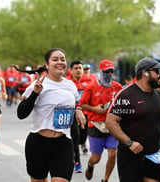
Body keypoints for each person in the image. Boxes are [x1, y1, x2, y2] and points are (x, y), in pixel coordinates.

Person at [105, 57, 160, 182]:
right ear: (145, 73)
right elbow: (111, 122)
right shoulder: (126, 95)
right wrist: (129, 142)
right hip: (130, 157)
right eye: (157, 72)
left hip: (155, 154)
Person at [17, 48, 86, 182]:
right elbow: (21, 113)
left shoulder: (70, 85)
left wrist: (78, 109)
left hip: (63, 143)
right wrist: (35, 93)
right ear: (47, 64)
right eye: (55, 60)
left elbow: (75, 102)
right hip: (39, 144)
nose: (60, 62)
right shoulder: (37, 85)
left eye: (63, 59)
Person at [79, 59, 122, 182]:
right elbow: (82, 105)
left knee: (112, 153)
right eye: (106, 71)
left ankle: (106, 179)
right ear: (101, 72)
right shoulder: (92, 87)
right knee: (96, 157)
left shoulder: (117, 87)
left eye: (111, 71)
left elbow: (123, 103)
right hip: (96, 125)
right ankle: (91, 165)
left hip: (112, 125)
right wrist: (95, 109)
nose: (109, 74)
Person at [66, 60, 93, 173]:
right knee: (75, 138)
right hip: (72, 114)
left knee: (83, 137)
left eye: (80, 68)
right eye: (75, 68)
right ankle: (77, 162)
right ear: (71, 70)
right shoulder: (67, 82)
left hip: (86, 114)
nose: (78, 70)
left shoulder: (90, 81)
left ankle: (81, 144)